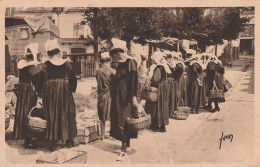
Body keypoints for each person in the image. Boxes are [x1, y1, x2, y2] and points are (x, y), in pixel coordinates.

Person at [39, 39, 77, 151]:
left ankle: (52, 142)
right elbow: (72, 78)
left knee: (52, 113)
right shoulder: (66, 63)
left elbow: (41, 80)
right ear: (58, 51)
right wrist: (71, 89)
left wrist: (40, 94)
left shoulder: (45, 64)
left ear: (49, 53)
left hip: (50, 89)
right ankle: (68, 140)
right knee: (65, 112)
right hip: (63, 89)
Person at [109, 38, 139, 161]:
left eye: (117, 53)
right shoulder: (120, 64)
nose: (115, 56)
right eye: (114, 53)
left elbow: (134, 81)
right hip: (118, 93)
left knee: (124, 119)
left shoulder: (131, 62)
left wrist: (133, 96)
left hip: (126, 93)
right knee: (118, 118)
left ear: (122, 51)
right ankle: (124, 143)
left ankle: (124, 148)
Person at [13, 43, 42, 149]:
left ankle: (23, 135)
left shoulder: (23, 68)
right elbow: (38, 83)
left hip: (23, 91)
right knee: (30, 112)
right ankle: (29, 139)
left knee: (22, 111)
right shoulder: (33, 69)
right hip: (30, 91)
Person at [145, 51, 171, 132]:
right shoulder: (163, 66)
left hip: (159, 89)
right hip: (163, 88)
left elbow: (156, 79)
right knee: (161, 106)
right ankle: (160, 125)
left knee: (157, 107)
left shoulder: (158, 67)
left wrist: (150, 80)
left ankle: (157, 125)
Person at [95, 52, 115, 140]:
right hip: (110, 95)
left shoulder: (98, 71)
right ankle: (112, 134)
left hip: (101, 95)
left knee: (102, 115)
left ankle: (102, 135)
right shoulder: (112, 71)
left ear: (102, 61)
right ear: (108, 61)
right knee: (112, 115)